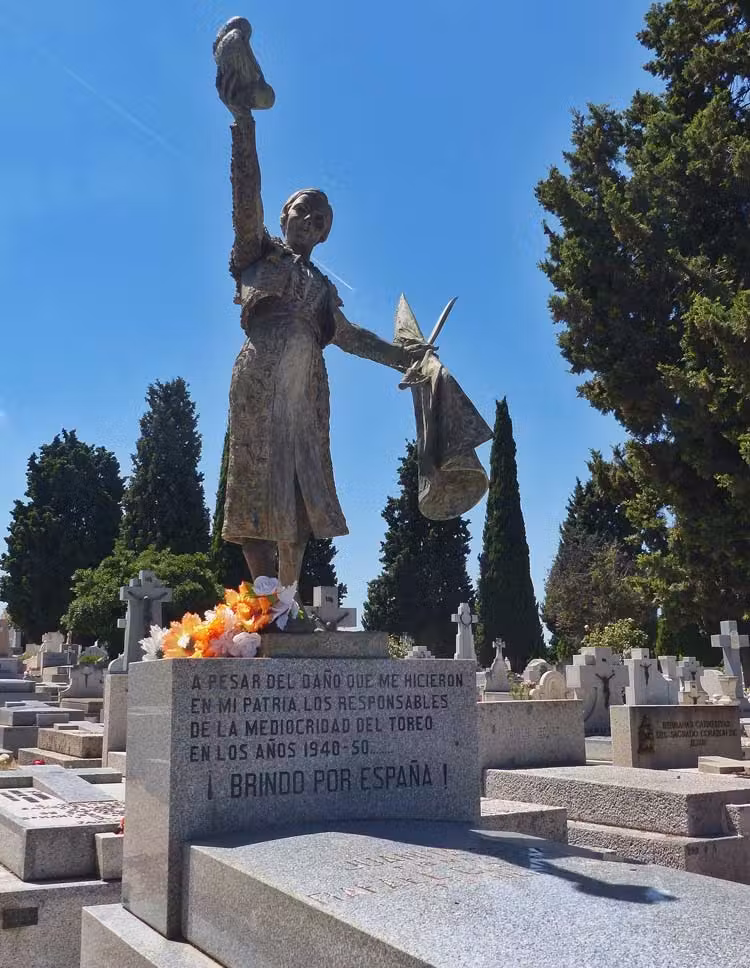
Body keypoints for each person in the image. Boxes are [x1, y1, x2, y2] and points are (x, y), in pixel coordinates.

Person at [215, 18, 429, 590]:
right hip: (260, 378)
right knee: (256, 488)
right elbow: (246, 197)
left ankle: (287, 597)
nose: (311, 220)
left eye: (322, 219)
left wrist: (407, 358)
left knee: (302, 492)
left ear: (327, 235)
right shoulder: (257, 252)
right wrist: (244, 125)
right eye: (304, 210)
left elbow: (352, 337)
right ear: (285, 216)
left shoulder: (323, 290)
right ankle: (264, 605)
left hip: (307, 387)